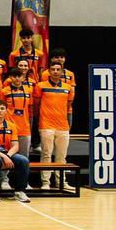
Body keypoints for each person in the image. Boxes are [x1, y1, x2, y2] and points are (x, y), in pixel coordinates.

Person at [33, 61, 75, 190]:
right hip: (46, 125)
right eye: (53, 69)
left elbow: (68, 106)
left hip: (62, 126)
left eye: (58, 69)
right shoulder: (41, 86)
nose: (56, 72)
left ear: (62, 72)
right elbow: (36, 104)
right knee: (46, 154)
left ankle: (61, 182)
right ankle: (46, 182)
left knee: (61, 156)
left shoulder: (68, 88)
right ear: (49, 72)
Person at [0, 102, 32, 202]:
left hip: (8, 154)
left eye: (2, 108)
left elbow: (16, 146)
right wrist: (3, 156)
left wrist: (7, 155)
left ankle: (19, 192)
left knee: (24, 160)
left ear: (6, 111)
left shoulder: (12, 126)